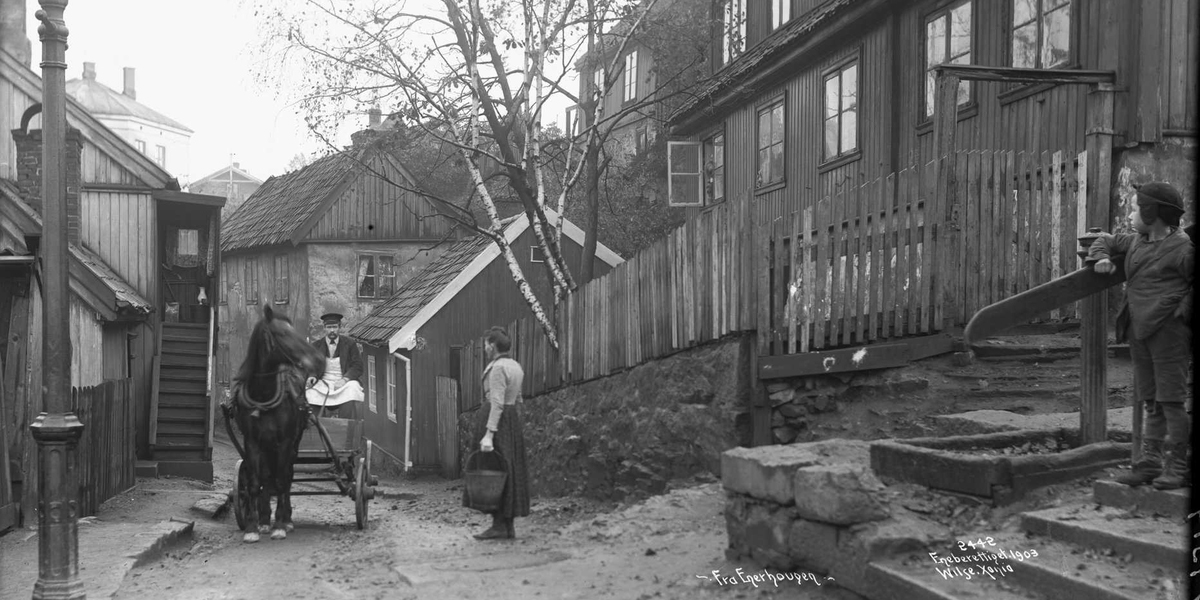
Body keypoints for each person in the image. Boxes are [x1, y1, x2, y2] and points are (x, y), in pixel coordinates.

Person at [1089, 182, 1193, 490]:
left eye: (1135, 208)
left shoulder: (1183, 249)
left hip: (1169, 333)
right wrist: (1100, 258)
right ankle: (1149, 463)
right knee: (1152, 401)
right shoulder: (1135, 241)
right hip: (1140, 330)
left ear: (1152, 213)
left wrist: (1180, 311)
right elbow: (1103, 240)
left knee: (1172, 401)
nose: (1132, 214)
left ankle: (1178, 466)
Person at [466, 326, 530, 540]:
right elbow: (518, 398)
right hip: (511, 421)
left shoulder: (497, 369)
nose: (484, 348)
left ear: (492, 346)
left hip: (497, 420)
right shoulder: (515, 366)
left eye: (486, 344)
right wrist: (513, 424)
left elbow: (496, 403)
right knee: (508, 468)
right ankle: (507, 524)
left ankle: (498, 525)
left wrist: (489, 434)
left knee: (492, 469)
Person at [304, 312, 365, 418]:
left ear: (339, 327)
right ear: (324, 328)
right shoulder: (316, 346)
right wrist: (312, 376)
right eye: (329, 327)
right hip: (323, 382)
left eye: (335, 327)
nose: (332, 330)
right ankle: (318, 425)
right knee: (310, 392)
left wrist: (345, 379)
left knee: (352, 389)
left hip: (344, 382)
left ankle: (345, 425)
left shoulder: (349, 344)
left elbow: (358, 366)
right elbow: (311, 366)